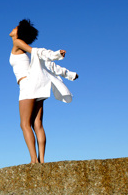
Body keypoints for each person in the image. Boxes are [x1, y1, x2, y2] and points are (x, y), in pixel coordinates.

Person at [9, 19, 78, 164]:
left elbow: (37, 51)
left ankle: (34, 160)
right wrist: (69, 74)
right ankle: (41, 160)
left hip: (27, 85)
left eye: (16, 27)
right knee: (37, 124)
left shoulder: (17, 43)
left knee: (25, 124)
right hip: (38, 85)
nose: (13, 28)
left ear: (19, 32)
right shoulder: (28, 56)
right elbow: (49, 66)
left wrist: (55, 54)